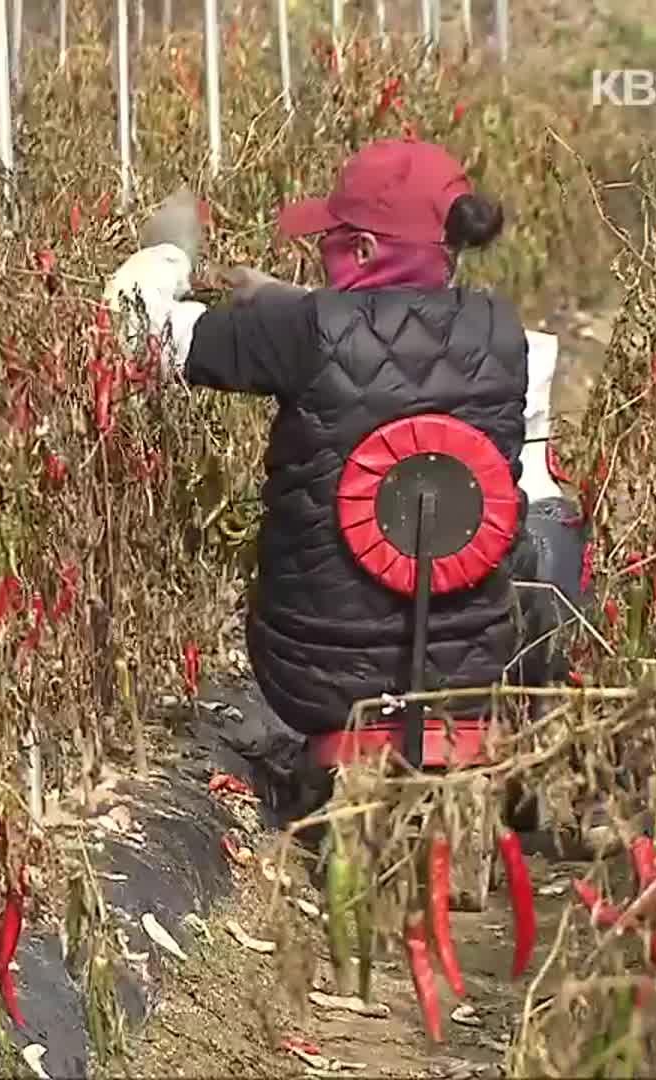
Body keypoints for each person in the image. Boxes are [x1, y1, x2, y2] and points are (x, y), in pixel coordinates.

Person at [104, 140, 588, 820]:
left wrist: (167, 253)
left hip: (311, 674)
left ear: (361, 252)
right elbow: (404, 339)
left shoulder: (300, 333)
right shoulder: (508, 336)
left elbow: (135, 328)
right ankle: (540, 721)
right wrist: (291, 301)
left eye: (332, 239)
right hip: (475, 674)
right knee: (545, 513)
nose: (322, 250)